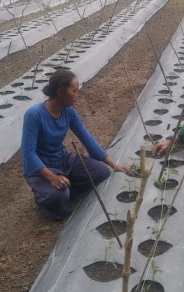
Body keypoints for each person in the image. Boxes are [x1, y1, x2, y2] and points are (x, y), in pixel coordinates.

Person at [22, 69, 130, 220]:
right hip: (42, 168)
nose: (77, 95)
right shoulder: (34, 115)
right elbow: (29, 153)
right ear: (60, 92)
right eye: (74, 91)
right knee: (58, 197)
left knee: (102, 172)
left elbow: (88, 140)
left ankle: (67, 187)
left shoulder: (69, 112)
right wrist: (52, 177)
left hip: (63, 160)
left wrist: (115, 165)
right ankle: (46, 199)